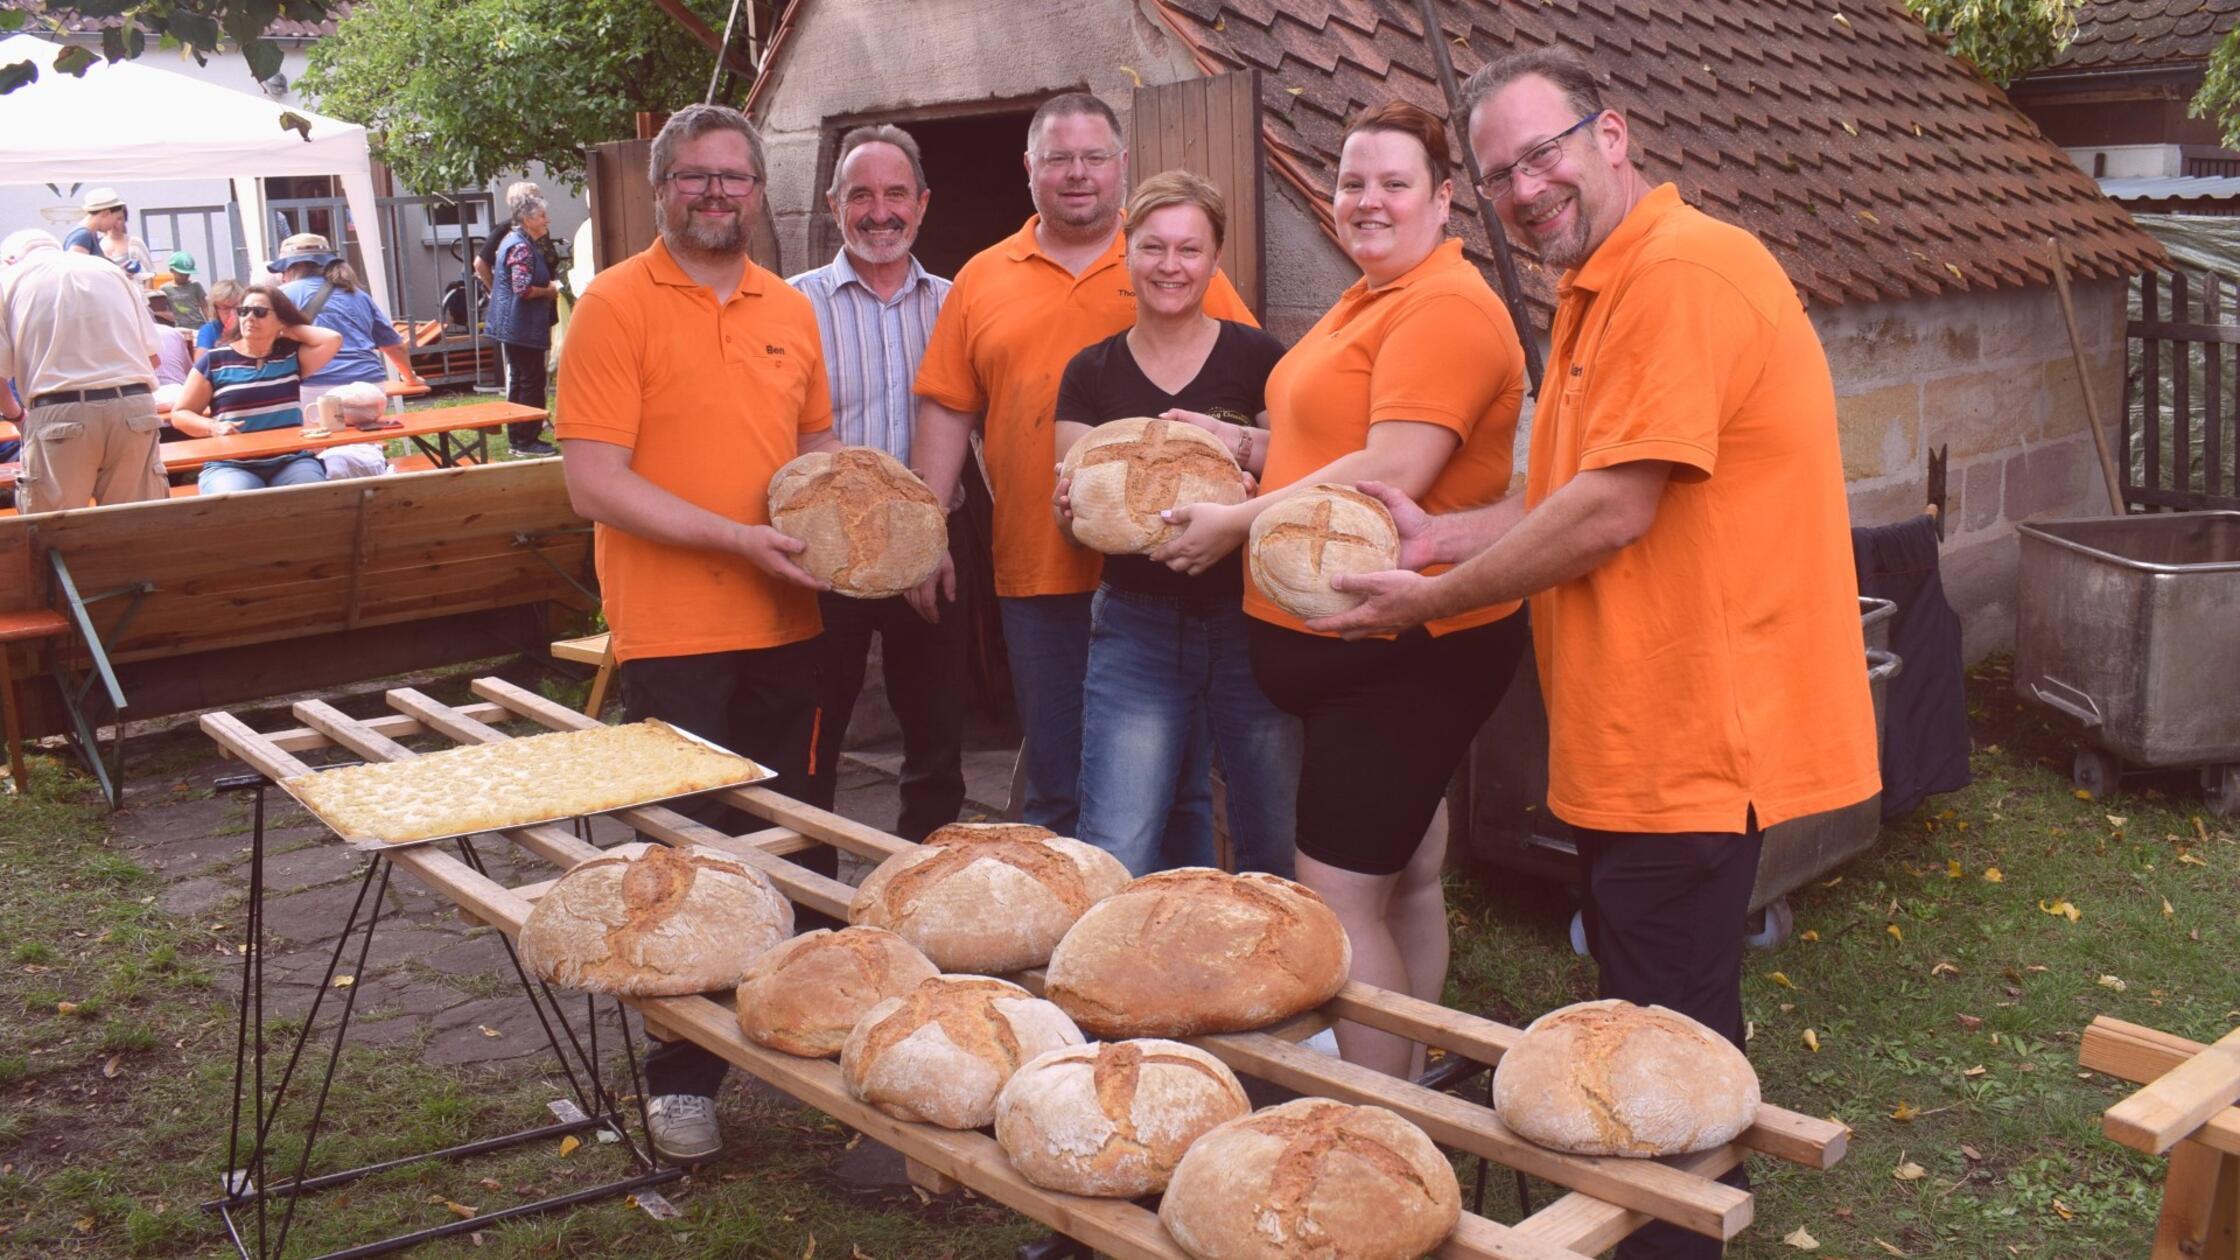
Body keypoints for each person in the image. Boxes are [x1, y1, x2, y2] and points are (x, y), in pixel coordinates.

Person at [1316, 51, 1880, 1257]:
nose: (1524, 188)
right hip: (1634, 735)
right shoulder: (1599, 288)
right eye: (1501, 172)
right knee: (1648, 1030)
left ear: (1610, 134)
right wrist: (1441, 537)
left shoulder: (1678, 274)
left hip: (1692, 732)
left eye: (1543, 152)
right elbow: (1561, 494)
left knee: (1662, 1057)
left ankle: (1670, 1237)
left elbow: (1612, 509)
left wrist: (1423, 604)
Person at [1152, 102, 1530, 1080]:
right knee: (1403, 877)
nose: (1365, 199)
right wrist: (1240, 445)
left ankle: (1369, 1127)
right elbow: (1331, 440)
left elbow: (1395, 463)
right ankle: (1412, 1075)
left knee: (1338, 902)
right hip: (1357, 650)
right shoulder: (1370, 296)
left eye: (1391, 182)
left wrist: (1235, 522)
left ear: (1442, 197)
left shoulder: (1442, 305)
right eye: (1350, 180)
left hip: (1402, 651)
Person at [555, 103, 842, 1165]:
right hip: (674, 631)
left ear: (758, 191)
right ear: (661, 187)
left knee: (800, 839)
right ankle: (683, 1079)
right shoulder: (616, 306)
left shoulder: (788, 308)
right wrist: (735, 537)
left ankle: (802, 1037)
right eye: (696, 177)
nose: (716, 194)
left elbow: (815, 452)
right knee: (684, 861)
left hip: (790, 619)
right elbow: (594, 482)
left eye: (735, 178)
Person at [911, 91, 1253, 836]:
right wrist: (928, 529)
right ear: (1028, 168)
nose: (1077, 174)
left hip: (1165, 576)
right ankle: (1069, 942)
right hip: (1040, 571)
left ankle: (1164, 934)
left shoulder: (1164, 257)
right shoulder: (981, 277)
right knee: (1059, 780)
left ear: (1121, 166)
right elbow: (946, 406)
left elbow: (1244, 384)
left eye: (1094, 158)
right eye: (1058, 159)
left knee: (1176, 785)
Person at [1049, 169, 1298, 879]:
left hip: (1249, 617)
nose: (1170, 266)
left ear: (1215, 258)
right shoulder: (1089, 373)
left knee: (1271, 843)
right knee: (1116, 843)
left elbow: (1302, 472)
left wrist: (1251, 468)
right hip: (1136, 626)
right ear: (1126, 254)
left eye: (1189, 250)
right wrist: (1068, 514)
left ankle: (1275, 983)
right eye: (1153, 247)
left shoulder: (1258, 358)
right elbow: (1074, 519)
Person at [788, 124, 968, 843]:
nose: (879, 211)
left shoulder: (958, 303)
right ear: (834, 207)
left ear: (922, 205)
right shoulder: (791, 307)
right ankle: (811, 906)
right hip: (826, 551)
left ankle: (928, 886)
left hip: (939, 543)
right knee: (812, 729)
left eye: (896, 193)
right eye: (860, 195)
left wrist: (933, 537)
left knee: (937, 729)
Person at [0, 228, 170, 513]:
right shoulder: (109, 271)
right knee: (136, 532)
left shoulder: (8, 280)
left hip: (59, 411)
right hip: (134, 407)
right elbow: (153, 358)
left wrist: (17, 416)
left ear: (9, 259)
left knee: (54, 537)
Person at [275, 232, 428, 477]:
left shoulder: (282, 295)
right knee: (364, 446)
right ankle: (375, 479)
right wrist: (410, 377)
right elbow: (393, 345)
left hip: (314, 387)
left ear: (289, 268)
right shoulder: (358, 294)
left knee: (317, 449)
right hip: (368, 387)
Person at [169, 282, 344, 493]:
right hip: (230, 464)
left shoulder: (291, 357)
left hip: (290, 460)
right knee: (238, 501)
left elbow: (333, 339)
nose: (249, 317)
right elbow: (180, 414)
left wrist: (286, 329)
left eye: (259, 312)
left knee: (313, 495)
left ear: (280, 318)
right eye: (243, 311)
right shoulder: (215, 361)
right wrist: (213, 427)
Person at [485, 196, 559, 456]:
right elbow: (522, 289)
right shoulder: (522, 248)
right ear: (528, 220)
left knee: (519, 381)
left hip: (513, 326)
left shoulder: (513, 241)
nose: (546, 220)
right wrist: (549, 290)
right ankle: (526, 440)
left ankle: (518, 440)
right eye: (541, 216)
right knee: (530, 382)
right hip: (521, 327)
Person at [474, 180, 543, 293]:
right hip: (521, 300)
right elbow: (480, 264)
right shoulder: (504, 229)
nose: (540, 202)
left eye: (540, 198)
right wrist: (496, 292)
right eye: (536, 199)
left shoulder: (540, 228)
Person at [64, 188, 125, 260]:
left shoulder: (90, 234)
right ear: (106, 213)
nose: (116, 224)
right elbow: (76, 267)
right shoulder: (83, 236)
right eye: (117, 218)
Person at [162, 251, 208, 329]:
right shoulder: (165, 289)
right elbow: (164, 311)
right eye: (182, 274)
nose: (185, 277)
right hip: (178, 328)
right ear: (172, 270)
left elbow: (205, 307)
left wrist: (211, 324)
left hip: (198, 325)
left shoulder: (195, 285)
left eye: (188, 274)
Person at [196, 279, 244, 351]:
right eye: (225, 308)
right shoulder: (210, 329)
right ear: (215, 310)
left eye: (236, 307)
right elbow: (200, 360)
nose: (232, 313)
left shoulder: (249, 328)